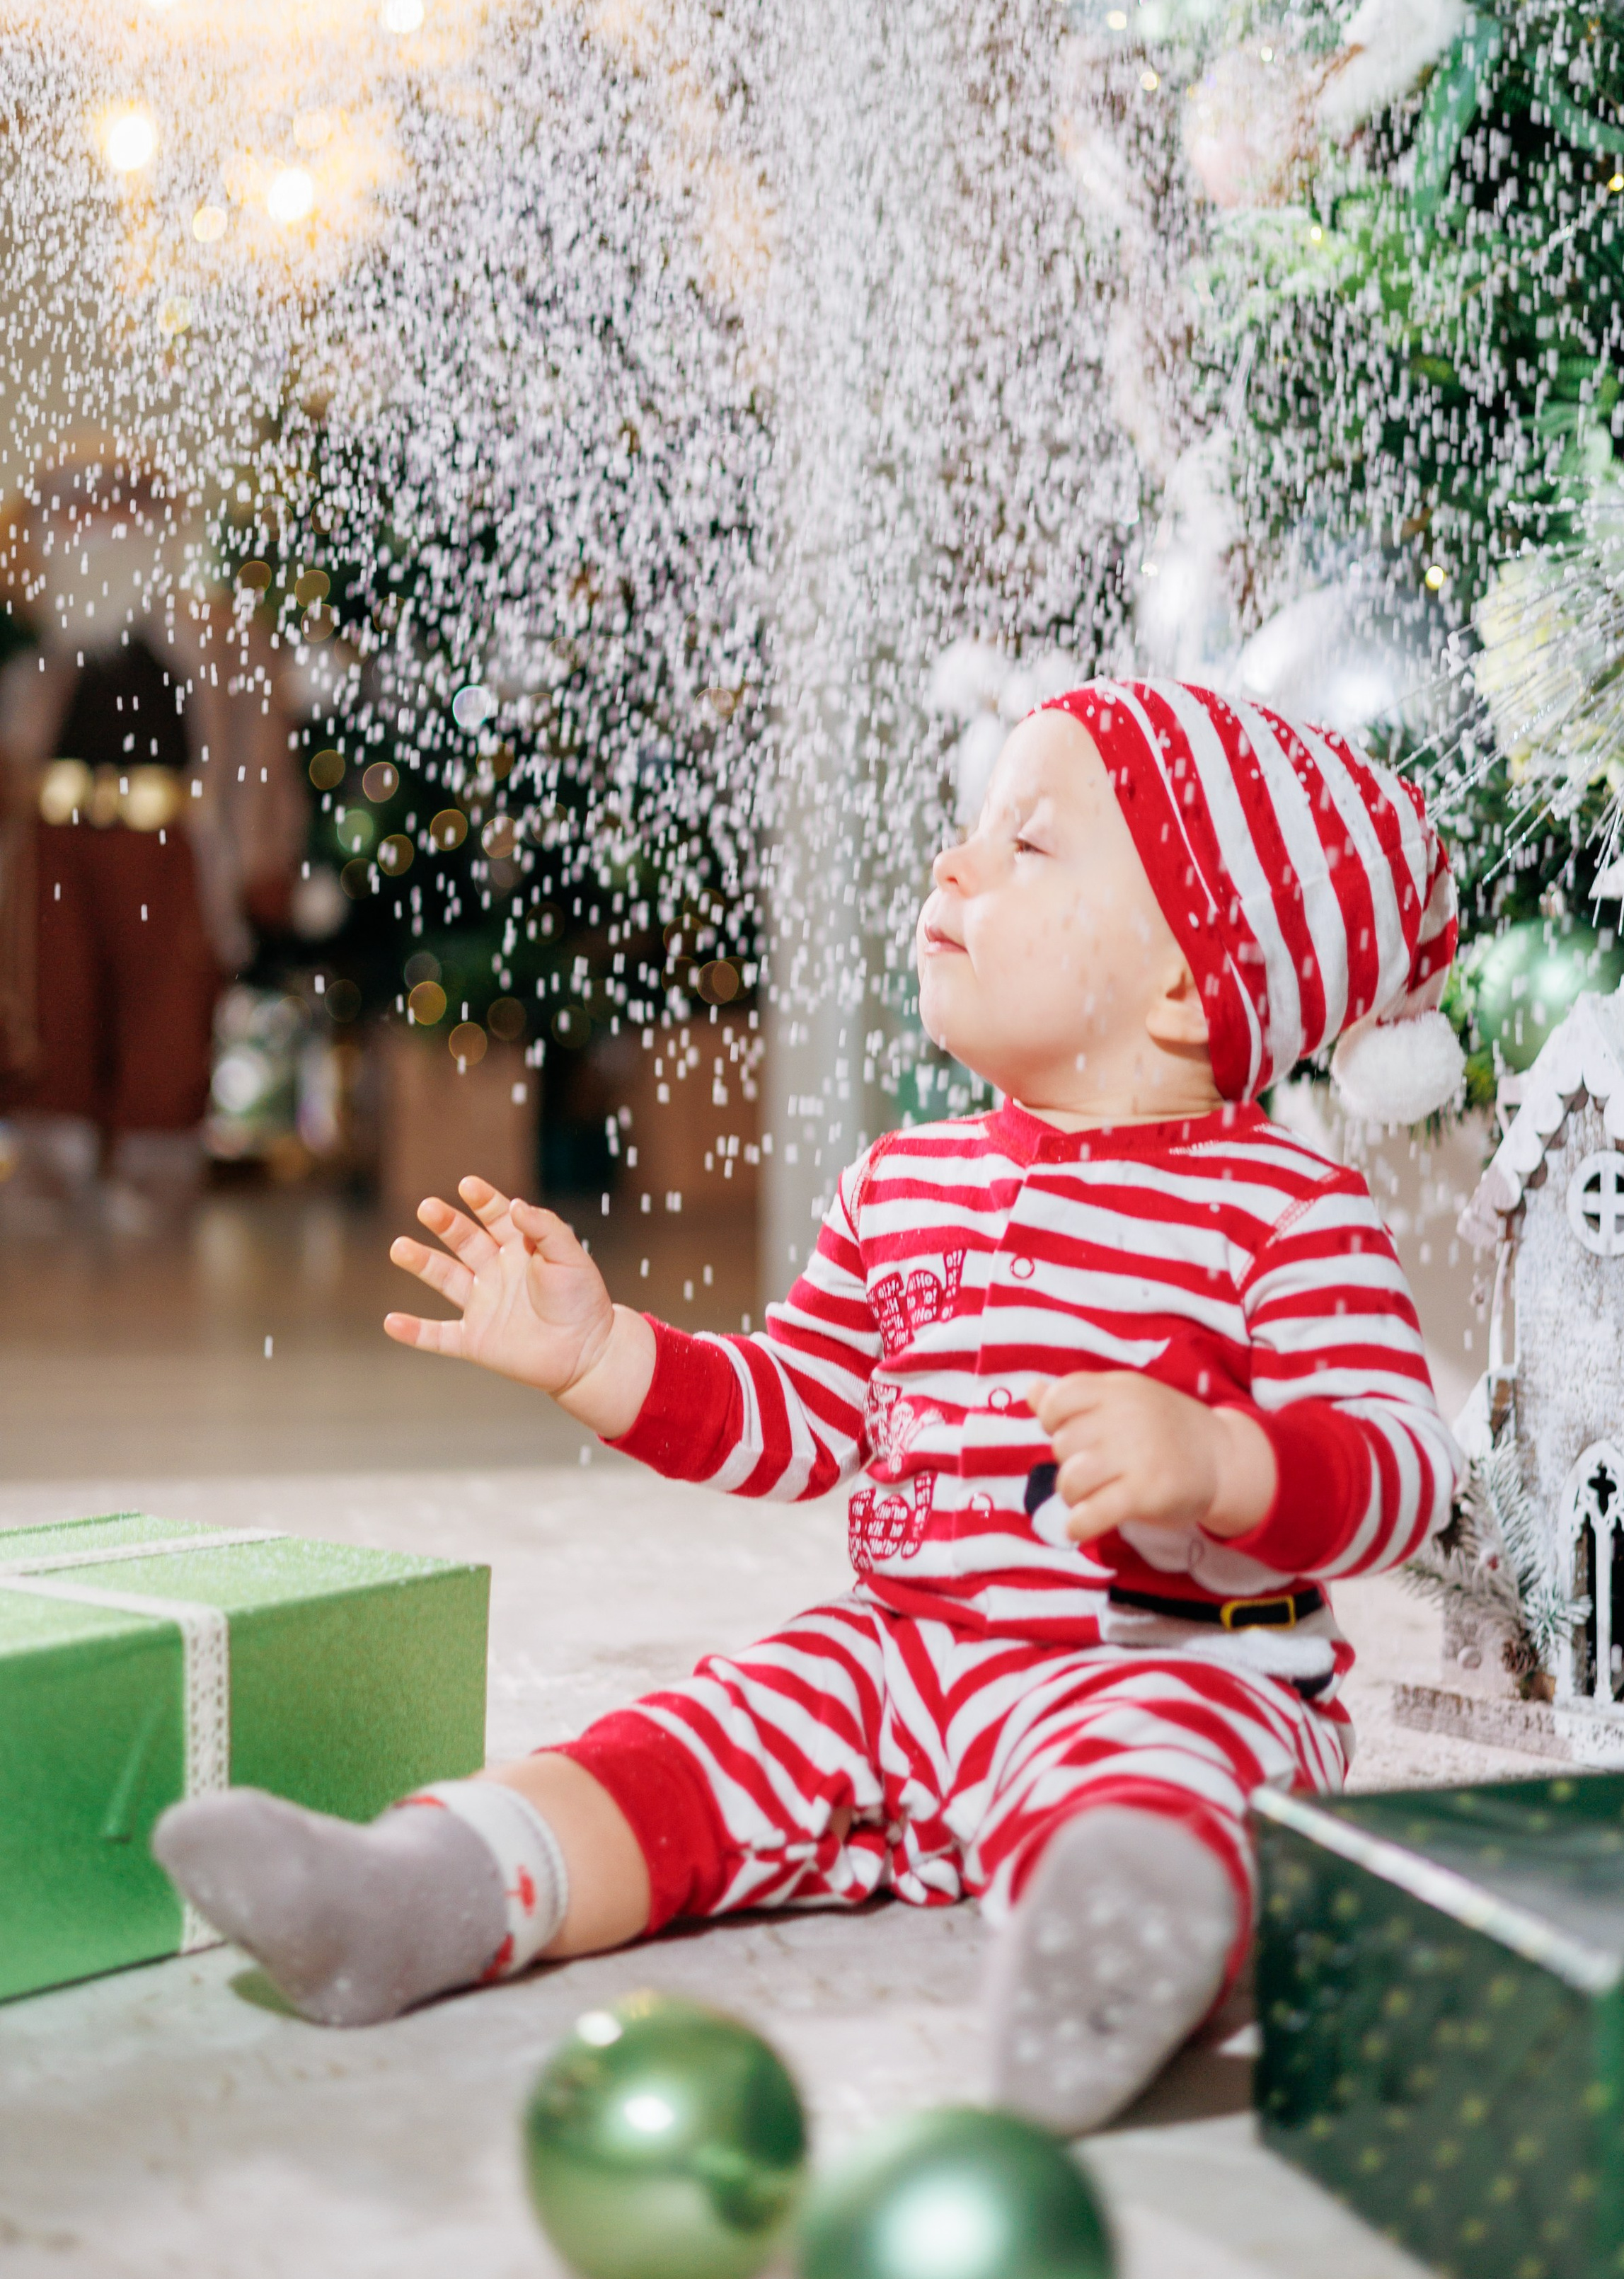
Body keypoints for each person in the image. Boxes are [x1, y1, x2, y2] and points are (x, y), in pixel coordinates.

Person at [156, 680, 1464, 2133]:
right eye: (967, 832)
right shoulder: (902, 1183)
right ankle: (422, 1890)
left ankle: (1114, 1969)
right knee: (696, 1738)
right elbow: (794, 1409)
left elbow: (1403, 1465)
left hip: (1166, 1658)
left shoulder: (1282, 1208)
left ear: (1183, 979)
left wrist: (1221, 1461)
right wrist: (603, 1356)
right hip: (897, 1653)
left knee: (1142, 1796)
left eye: (1027, 847)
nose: (950, 866)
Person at [0, 444, 304, 1229]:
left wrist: (267, 857)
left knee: (169, 1002)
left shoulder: (215, 640)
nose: (94, 527)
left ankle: (157, 1162)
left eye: (114, 509)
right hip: (52, 844)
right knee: (48, 1002)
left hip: (171, 846)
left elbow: (262, 753)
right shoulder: (35, 649)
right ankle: (49, 1163)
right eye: (74, 513)